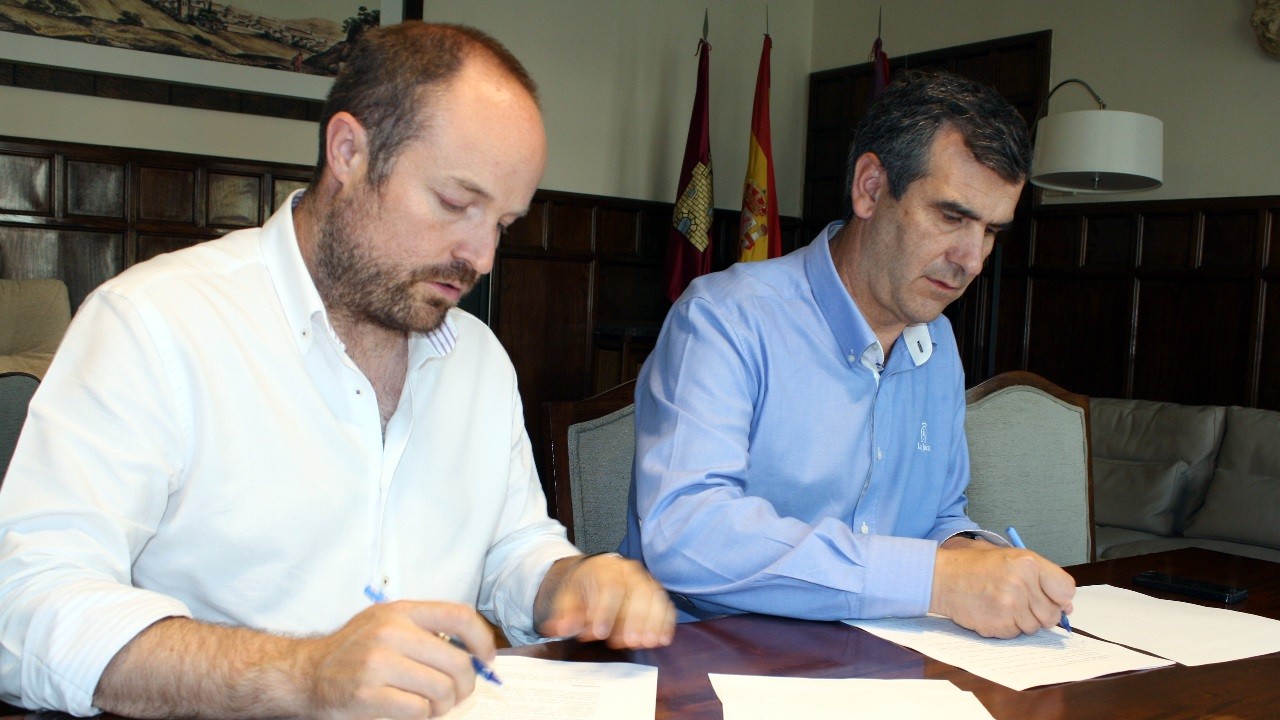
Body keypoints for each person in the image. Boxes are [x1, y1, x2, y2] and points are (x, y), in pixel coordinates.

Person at [0, 22, 674, 720]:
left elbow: (511, 547)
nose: (480, 256)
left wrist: (568, 582)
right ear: (349, 151)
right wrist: (302, 673)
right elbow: (26, 607)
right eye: (453, 204)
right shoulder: (154, 325)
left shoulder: (477, 360)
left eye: (503, 223)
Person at [619, 70, 1075, 639]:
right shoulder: (724, 319)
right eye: (952, 217)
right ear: (870, 187)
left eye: (991, 232)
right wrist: (935, 580)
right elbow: (687, 533)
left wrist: (978, 559)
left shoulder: (939, 346)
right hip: (708, 661)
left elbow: (939, 515)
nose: (972, 260)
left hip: (873, 661)